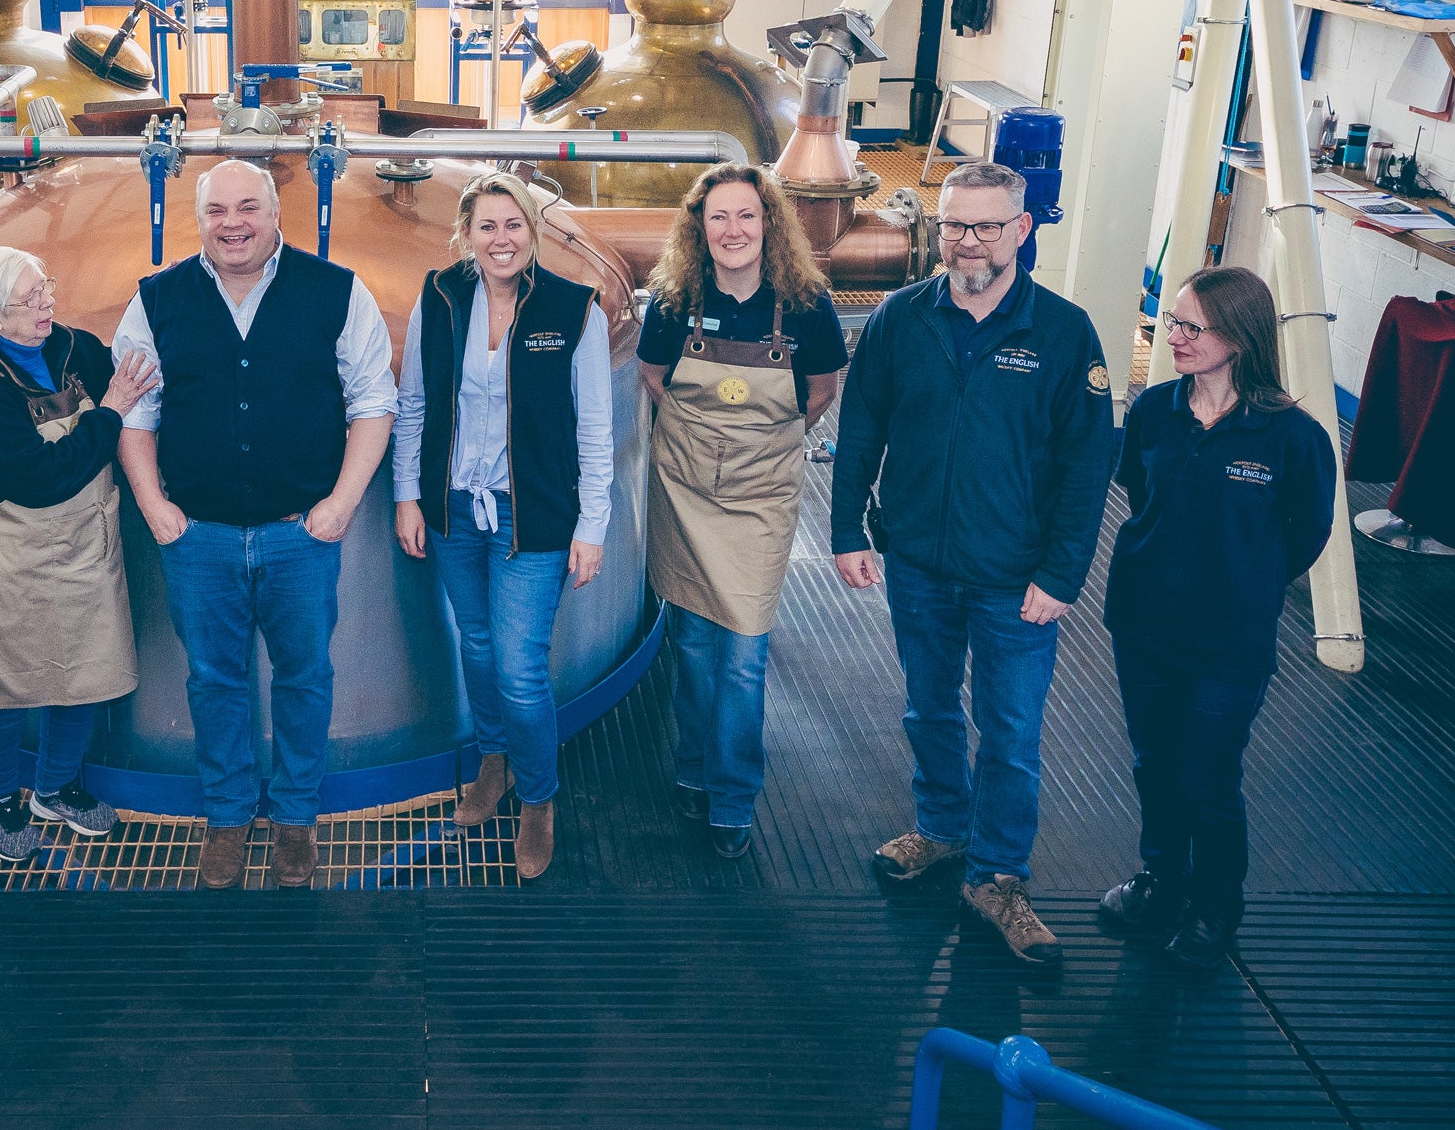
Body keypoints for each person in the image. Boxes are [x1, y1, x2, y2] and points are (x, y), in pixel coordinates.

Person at [831, 160, 1116, 966]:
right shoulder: (899, 317)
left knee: (1012, 729)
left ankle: (1000, 875)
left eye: (987, 225)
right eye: (955, 224)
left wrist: (1061, 576)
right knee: (928, 708)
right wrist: (847, 529)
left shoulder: (1064, 334)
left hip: (1013, 575)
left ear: (1022, 230)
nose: (967, 241)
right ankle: (941, 828)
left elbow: (1085, 469)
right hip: (917, 559)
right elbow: (861, 431)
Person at [113, 160, 398, 890]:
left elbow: (374, 401)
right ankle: (230, 815)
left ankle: (295, 817)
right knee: (213, 680)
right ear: (199, 218)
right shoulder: (156, 300)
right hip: (198, 536)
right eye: (217, 211)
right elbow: (135, 411)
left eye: (248, 207)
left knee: (305, 675)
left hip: (299, 533)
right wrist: (154, 506)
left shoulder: (337, 291)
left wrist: (338, 504)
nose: (232, 223)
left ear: (277, 214)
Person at [1097, 266, 1335, 968]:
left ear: (1239, 337)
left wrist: (1242, 581)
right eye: (1170, 322)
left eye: (1190, 328)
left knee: (1208, 773)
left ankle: (1215, 905)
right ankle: (1162, 880)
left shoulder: (1291, 437)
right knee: (1154, 763)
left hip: (1229, 641)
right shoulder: (1153, 410)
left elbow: (1307, 533)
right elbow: (1140, 490)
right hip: (1143, 623)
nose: (1173, 337)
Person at [393, 173, 614, 879]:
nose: (501, 239)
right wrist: (408, 494)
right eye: (487, 226)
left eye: (513, 224)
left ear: (533, 232)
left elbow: (596, 431)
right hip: (456, 507)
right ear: (466, 234)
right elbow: (415, 405)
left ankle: (539, 798)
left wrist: (594, 525)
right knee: (479, 646)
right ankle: (495, 761)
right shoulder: (440, 297)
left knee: (521, 671)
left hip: (535, 516)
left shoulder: (575, 310)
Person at [637, 163, 846, 861]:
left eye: (746, 216)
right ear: (699, 227)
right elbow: (652, 378)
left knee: (744, 657)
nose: (732, 230)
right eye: (718, 217)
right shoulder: (673, 301)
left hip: (761, 498)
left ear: (769, 224)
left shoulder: (807, 304)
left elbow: (821, 388)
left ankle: (731, 794)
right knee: (693, 648)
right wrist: (705, 442)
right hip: (685, 490)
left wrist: (758, 441)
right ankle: (693, 764)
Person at [0, 245, 158, 863]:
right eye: (29, 298)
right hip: (12, 549)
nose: (46, 304)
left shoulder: (73, 349)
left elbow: (135, 386)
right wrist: (110, 412)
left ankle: (56, 786)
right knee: (8, 683)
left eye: (46, 289)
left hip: (86, 542)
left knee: (84, 672)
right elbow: (40, 480)